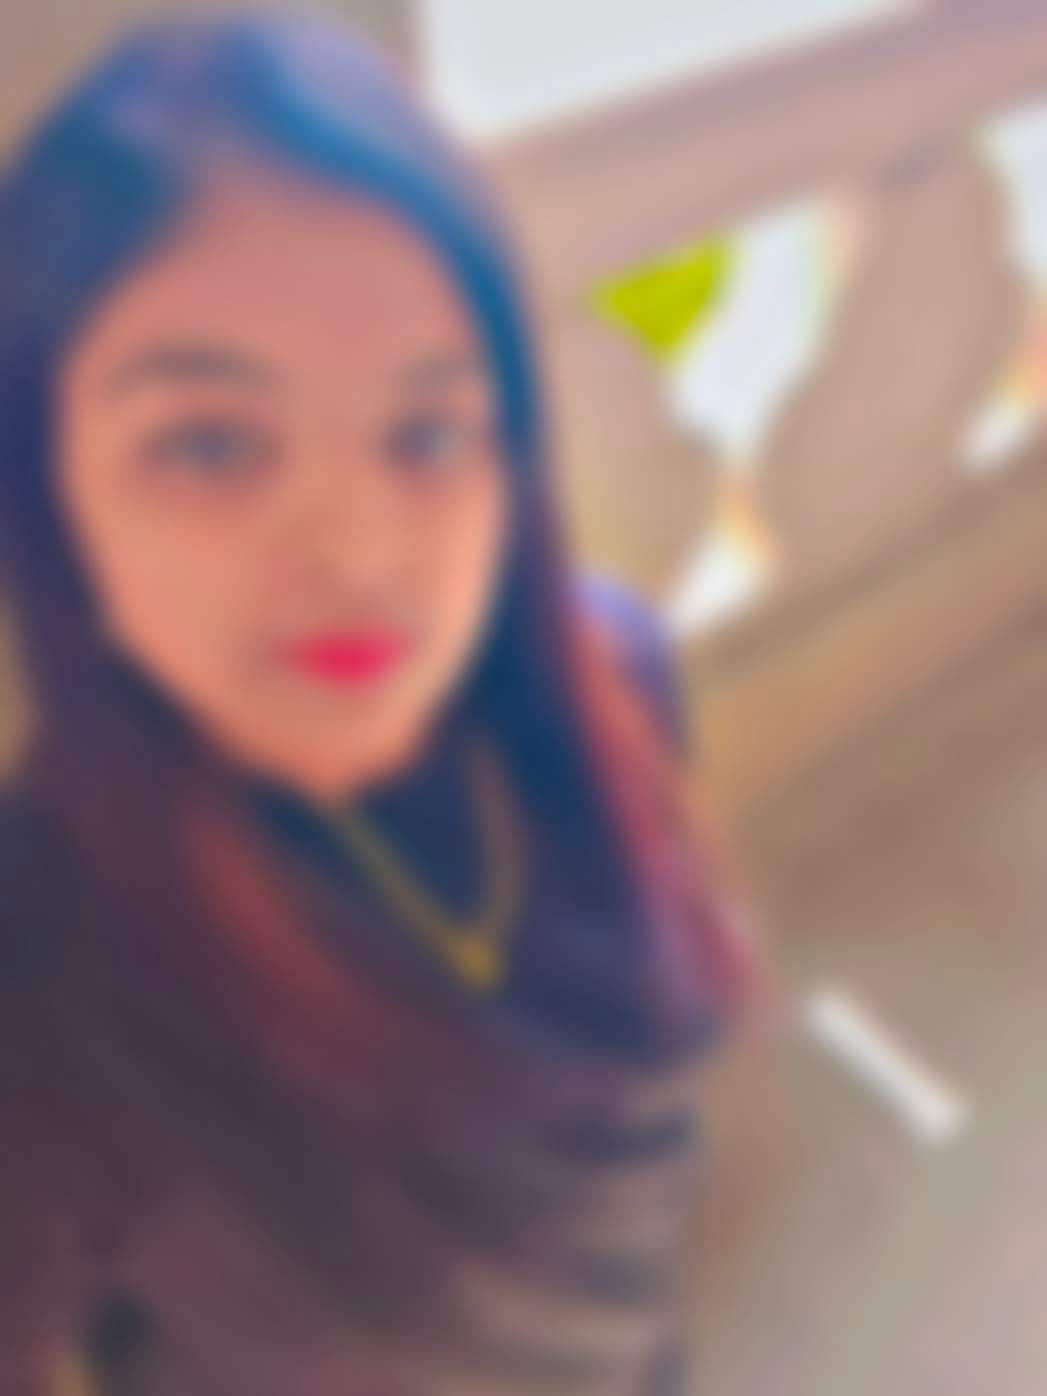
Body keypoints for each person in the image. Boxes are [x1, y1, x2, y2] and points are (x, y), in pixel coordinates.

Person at [0, 16, 746, 1395]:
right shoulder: (41, 969)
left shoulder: (616, 672)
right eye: (209, 444)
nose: (361, 553)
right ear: (51, 508)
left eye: (430, 430)